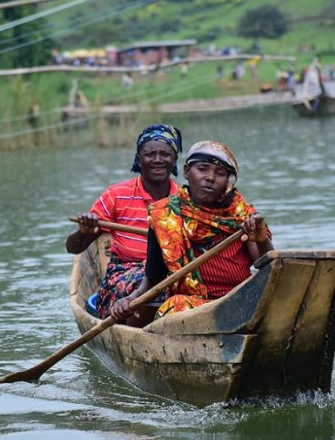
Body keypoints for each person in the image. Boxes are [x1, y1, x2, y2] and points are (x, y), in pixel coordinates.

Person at [110, 140, 274, 325]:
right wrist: (130, 299)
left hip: (238, 301)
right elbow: (154, 278)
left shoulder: (243, 215)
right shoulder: (164, 215)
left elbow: (269, 267)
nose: (210, 178)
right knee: (174, 305)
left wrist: (262, 240)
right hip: (193, 307)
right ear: (187, 172)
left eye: (220, 173)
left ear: (228, 182)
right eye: (202, 169)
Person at [66, 124, 183, 322]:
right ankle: (138, 329)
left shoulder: (184, 200)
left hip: (173, 272)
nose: (158, 160)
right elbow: (73, 248)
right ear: (138, 159)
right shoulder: (116, 195)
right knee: (155, 283)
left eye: (165, 154)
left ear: (174, 160)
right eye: (150, 154)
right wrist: (84, 232)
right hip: (125, 273)